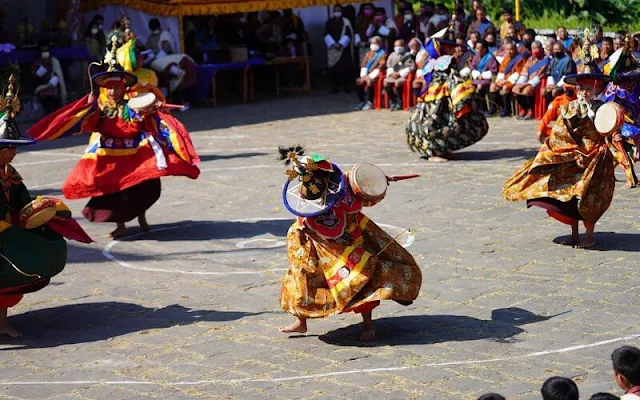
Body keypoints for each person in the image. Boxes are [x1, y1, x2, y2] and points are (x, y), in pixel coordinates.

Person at [28, 38, 200, 239]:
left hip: (136, 152)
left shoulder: (133, 104)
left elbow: (145, 121)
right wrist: (89, 107)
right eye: (109, 88)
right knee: (114, 192)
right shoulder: (100, 107)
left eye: (116, 88)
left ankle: (142, 218)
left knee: (146, 185)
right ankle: (120, 225)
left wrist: (151, 112)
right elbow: (88, 123)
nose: (112, 91)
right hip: (110, 155)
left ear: (123, 89)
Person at [277, 147, 422, 341]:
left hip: (350, 242)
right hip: (315, 246)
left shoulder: (345, 186)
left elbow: (367, 192)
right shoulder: (309, 204)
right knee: (300, 277)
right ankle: (301, 321)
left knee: (359, 279)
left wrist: (373, 183)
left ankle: (368, 326)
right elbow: (306, 221)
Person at [0, 74, 92, 337]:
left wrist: (38, 209)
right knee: (20, 255)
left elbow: (22, 200)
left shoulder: (9, 172)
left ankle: (2, 323)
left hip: (6, 230)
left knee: (47, 245)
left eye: (15, 148)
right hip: (2, 232)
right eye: (9, 148)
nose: (13, 152)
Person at [503, 66, 616, 249]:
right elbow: (560, 133)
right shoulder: (569, 108)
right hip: (573, 156)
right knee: (567, 195)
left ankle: (589, 236)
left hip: (596, 158)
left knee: (590, 196)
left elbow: (611, 131)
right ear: (577, 89)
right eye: (582, 88)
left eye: (589, 88)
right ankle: (574, 234)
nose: (585, 92)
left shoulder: (605, 109)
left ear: (597, 89)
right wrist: (570, 151)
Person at [407, 39, 488, 161]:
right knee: (435, 123)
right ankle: (434, 153)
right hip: (439, 97)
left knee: (440, 122)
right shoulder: (446, 61)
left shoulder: (431, 62)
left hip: (437, 95)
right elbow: (452, 77)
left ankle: (442, 150)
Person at [145, 18, 198, 106]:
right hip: (156, 61)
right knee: (156, 66)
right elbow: (148, 50)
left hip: (168, 59)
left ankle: (177, 72)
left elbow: (168, 48)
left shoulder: (165, 35)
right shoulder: (150, 38)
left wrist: (162, 52)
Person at [486, 40, 525, 117]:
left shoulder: (519, 58)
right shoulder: (506, 58)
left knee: (505, 87)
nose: (509, 51)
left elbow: (518, 73)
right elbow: (501, 70)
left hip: (513, 80)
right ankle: (493, 108)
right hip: (504, 79)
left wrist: (505, 81)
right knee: (493, 86)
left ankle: (506, 109)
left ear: (515, 49)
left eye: (511, 49)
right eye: (507, 49)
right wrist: (499, 80)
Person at [513, 40, 548, 119]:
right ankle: (524, 108)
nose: (535, 50)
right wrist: (521, 82)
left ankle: (530, 110)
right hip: (528, 79)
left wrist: (528, 83)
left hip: (538, 81)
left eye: (537, 48)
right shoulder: (530, 59)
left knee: (527, 90)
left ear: (541, 49)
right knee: (515, 89)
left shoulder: (545, 59)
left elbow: (541, 73)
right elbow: (525, 70)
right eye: (533, 49)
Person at [325, 5, 354, 94]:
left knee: (345, 68)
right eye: (335, 10)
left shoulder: (346, 22)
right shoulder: (329, 22)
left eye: (338, 10)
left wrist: (341, 43)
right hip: (333, 48)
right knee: (334, 69)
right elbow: (326, 34)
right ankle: (335, 87)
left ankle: (346, 87)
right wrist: (334, 44)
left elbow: (349, 34)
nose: (337, 12)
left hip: (343, 48)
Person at [31, 41, 67, 115]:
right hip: (41, 86)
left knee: (54, 96)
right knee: (44, 97)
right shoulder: (37, 62)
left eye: (46, 50)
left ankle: (54, 113)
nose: (45, 52)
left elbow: (59, 75)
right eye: (43, 50)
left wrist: (55, 79)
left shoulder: (54, 61)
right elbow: (34, 75)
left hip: (53, 85)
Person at [355, 36, 387, 111]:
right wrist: (364, 74)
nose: (373, 45)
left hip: (376, 73)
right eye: (372, 43)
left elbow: (381, 65)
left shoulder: (383, 53)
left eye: (375, 43)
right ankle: (362, 101)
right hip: (366, 73)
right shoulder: (369, 53)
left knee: (369, 81)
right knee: (358, 81)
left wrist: (370, 75)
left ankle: (370, 103)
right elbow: (364, 63)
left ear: (380, 44)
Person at [383, 39, 415, 111]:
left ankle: (399, 102)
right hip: (393, 74)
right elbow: (388, 65)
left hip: (403, 76)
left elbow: (412, 67)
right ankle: (392, 101)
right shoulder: (392, 55)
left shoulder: (408, 55)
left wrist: (400, 73)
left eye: (400, 46)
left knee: (397, 83)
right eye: (396, 46)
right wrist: (391, 73)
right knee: (385, 83)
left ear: (404, 46)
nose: (398, 47)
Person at [467, 40, 498, 111]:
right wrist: (477, 74)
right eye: (476, 48)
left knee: (480, 86)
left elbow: (493, 70)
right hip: (478, 77)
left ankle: (485, 108)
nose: (477, 50)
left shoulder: (490, 57)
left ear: (484, 49)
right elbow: (473, 66)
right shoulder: (477, 56)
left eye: (479, 48)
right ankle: (478, 107)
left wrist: (483, 75)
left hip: (488, 78)